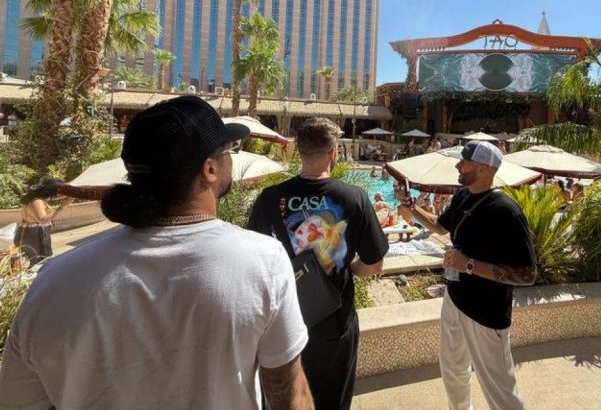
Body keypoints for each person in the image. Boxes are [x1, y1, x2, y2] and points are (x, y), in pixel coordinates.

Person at [0, 96, 314, 409]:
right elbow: (289, 396)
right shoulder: (262, 262)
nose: (232, 158)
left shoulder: (55, 280)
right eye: (229, 151)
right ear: (209, 169)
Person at [248, 117, 389, 410]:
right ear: (333, 152)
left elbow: (254, 264)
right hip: (334, 324)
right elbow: (374, 265)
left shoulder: (270, 199)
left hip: (282, 323)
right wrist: (349, 268)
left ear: (298, 150)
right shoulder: (354, 198)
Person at [407, 141, 536, 410]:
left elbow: (526, 274)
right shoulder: (462, 196)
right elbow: (439, 226)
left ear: (482, 168)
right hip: (454, 299)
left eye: (464, 162)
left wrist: (468, 265)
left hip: (486, 313)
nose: (458, 165)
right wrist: (412, 208)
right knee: (452, 369)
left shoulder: (505, 211)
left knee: (499, 387)